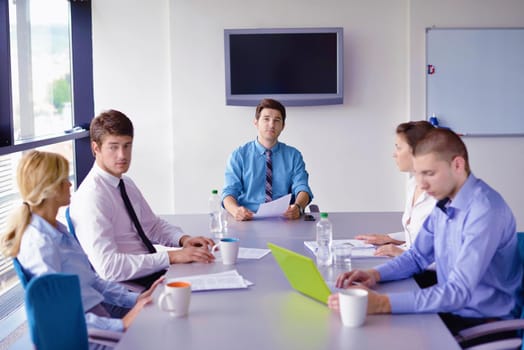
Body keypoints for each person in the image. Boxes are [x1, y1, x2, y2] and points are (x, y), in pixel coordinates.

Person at [328, 128, 522, 340]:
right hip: (451, 309)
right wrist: (375, 274)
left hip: (484, 321)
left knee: (381, 336)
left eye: (429, 173)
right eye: (418, 174)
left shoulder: (484, 210)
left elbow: (457, 292)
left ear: (458, 165)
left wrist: (382, 303)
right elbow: (417, 256)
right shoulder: (445, 203)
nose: (422, 184)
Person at [0, 151, 159, 344]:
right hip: (84, 332)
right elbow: (60, 315)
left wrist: (137, 299)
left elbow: (92, 281)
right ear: (50, 189)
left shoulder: (57, 229)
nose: (69, 184)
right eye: (64, 180)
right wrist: (121, 324)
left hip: (97, 316)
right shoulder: (39, 244)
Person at [69, 110, 215, 289]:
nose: (122, 155)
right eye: (113, 147)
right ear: (96, 148)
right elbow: (109, 267)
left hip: (150, 276)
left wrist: (183, 240)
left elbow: (152, 226)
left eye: (127, 145)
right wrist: (172, 256)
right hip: (127, 289)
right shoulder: (92, 197)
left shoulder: (125, 183)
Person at [222, 98, 313, 221]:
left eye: (277, 120)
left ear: (283, 126)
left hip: (285, 220)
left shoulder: (293, 156)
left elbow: (302, 188)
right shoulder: (239, 155)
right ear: (256, 122)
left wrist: (298, 207)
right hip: (248, 219)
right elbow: (229, 192)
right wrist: (235, 211)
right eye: (266, 119)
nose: (271, 124)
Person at [356, 121, 436, 257]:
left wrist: (401, 254)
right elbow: (418, 236)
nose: (394, 154)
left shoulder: (441, 196)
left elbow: (445, 257)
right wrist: (389, 238)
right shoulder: (413, 184)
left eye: (399, 148)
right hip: (410, 266)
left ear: (418, 151)